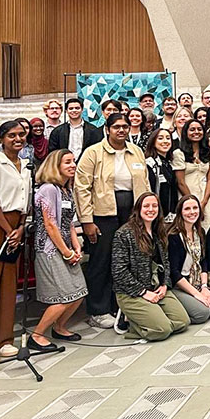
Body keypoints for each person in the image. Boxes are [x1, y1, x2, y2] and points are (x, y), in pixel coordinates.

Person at [75, 113, 149, 330]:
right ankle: (98, 309)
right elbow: (81, 187)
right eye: (116, 126)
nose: (121, 130)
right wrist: (87, 220)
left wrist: (145, 215)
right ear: (107, 129)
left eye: (125, 126)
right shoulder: (93, 153)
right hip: (103, 214)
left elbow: (144, 182)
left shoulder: (136, 151)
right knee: (102, 260)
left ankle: (122, 305)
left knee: (130, 259)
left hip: (131, 213)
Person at [0, 121, 31, 364]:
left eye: (21, 134)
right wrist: (9, 229)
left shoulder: (26, 167)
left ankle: (4, 341)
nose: (18, 138)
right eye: (12, 135)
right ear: (2, 138)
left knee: (8, 284)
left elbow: (24, 202)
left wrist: (20, 228)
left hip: (14, 225)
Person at [29, 150, 87, 350]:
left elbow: (68, 223)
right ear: (56, 165)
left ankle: (59, 327)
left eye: (74, 161)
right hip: (50, 250)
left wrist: (76, 246)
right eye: (67, 162)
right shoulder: (48, 189)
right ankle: (36, 336)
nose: (73, 165)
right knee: (63, 297)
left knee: (79, 292)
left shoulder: (65, 189)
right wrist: (66, 252)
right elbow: (50, 225)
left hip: (66, 248)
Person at [112, 193, 189, 341]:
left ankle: (153, 318)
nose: (151, 209)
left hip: (156, 288)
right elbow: (118, 272)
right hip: (131, 293)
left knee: (182, 322)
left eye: (154, 206)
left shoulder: (159, 231)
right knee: (163, 330)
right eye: (146, 206)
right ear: (138, 209)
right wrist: (143, 292)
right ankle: (133, 324)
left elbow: (166, 263)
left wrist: (165, 285)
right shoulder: (123, 234)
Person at [166, 195, 210, 324]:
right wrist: (197, 294)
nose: (192, 212)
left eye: (195, 208)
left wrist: (204, 287)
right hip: (179, 285)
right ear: (180, 212)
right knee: (202, 313)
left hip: (196, 281)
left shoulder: (200, 232)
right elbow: (174, 272)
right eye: (187, 209)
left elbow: (203, 261)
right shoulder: (173, 236)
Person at [173, 120, 210, 229]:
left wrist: (203, 203)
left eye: (199, 129)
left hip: (206, 198)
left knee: (207, 229)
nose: (196, 132)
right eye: (192, 129)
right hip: (186, 197)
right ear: (186, 132)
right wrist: (193, 203)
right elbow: (180, 182)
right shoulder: (179, 153)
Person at [144, 128, 180, 217]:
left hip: (170, 215)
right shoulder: (150, 164)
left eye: (168, 138)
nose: (165, 141)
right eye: (160, 138)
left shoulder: (169, 163)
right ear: (153, 142)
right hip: (155, 215)